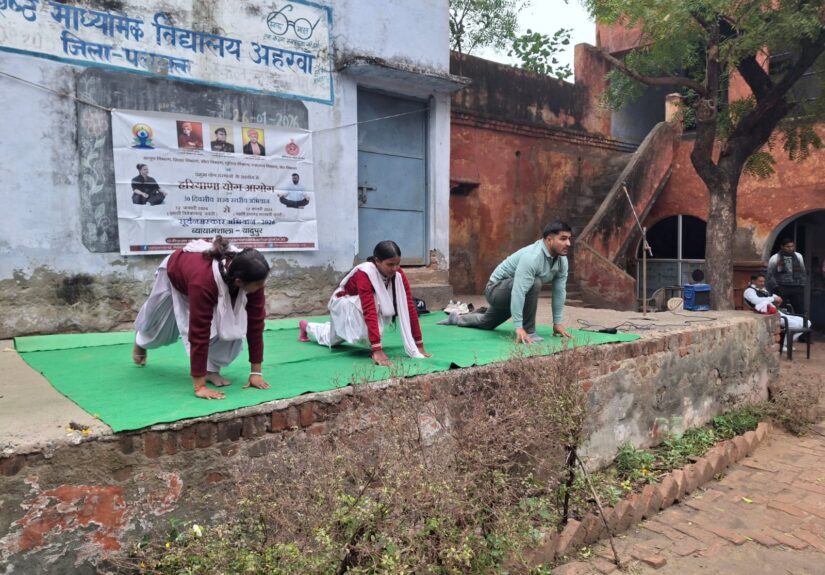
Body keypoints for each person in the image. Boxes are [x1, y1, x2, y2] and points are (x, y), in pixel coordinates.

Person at [132, 236, 272, 400]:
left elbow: (255, 323)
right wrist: (199, 387)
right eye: (258, 285)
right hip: (176, 271)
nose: (261, 288)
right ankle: (141, 339)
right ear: (239, 282)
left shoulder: (254, 277)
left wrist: (256, 372)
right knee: (160, 327)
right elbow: (198, 332)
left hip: (211, 278)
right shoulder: (204, 282)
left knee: (230, 328)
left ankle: (210, 370)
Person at [298, 240, 430, 367]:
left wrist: (419, 345)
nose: (395, 268)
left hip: (358, 308)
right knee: (355, 328)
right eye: (390, 265)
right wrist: (377, 350)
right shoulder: (365, 273)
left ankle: (305, 326)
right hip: (344, 304)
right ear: (377, 261)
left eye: (398, 264)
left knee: (332, 338)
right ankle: (372, 345)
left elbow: (409, 306)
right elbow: (369, 309)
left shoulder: (398, 274)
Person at [439, 221, 573, 343]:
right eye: (563, 239)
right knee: (534, 282)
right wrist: (519, 327)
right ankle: (530, 331)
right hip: (495, 290)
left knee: (487, 323)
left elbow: (559, 291)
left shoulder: (562, 260)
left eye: (569, 239)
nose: (568, 243)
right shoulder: (533, 257)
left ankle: (456, 318)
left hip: (513, 293)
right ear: (549, 239)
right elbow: (519, 291)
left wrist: (557, 322)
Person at [743, 273, 805, 346]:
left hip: (777, 312)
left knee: (807, 322)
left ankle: (786, 343)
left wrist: (778, 299)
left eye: (763, 281)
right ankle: (784, 344)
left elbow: (771, 296)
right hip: (767, 314)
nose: (763, 283)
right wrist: (773, 299)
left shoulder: (763, 290)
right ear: (753, 281)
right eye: (760, 281)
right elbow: (756, 301)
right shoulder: (749, 291)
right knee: (797, 325)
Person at [767, 238, 807, 314]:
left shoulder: (798, 256)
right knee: (782, 310)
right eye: (788, 246)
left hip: (797, 287)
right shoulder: (775, 258)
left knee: (800, 310)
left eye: (792, 246)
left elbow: (803, 271)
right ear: (782, 247)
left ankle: (802, 325)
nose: (790, 248)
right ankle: (783, 325)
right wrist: (776, 287)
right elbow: (770, 275)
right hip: (782, 287)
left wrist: (802, 285)